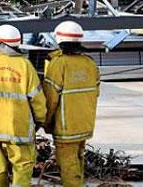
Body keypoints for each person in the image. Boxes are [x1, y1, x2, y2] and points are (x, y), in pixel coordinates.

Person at [0, 24, 46, 187]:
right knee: (22, 173)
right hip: (21, 133)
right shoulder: (26, 66)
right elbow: (38, 101)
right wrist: (39, 122)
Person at [43, 21, 100, 187]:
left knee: (68, 167)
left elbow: (50, 99)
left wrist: (45, 122)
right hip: (84, 126)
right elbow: (96, 92)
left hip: (66, 128)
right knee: (78, 162)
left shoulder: (58, 64)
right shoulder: (89, 63)